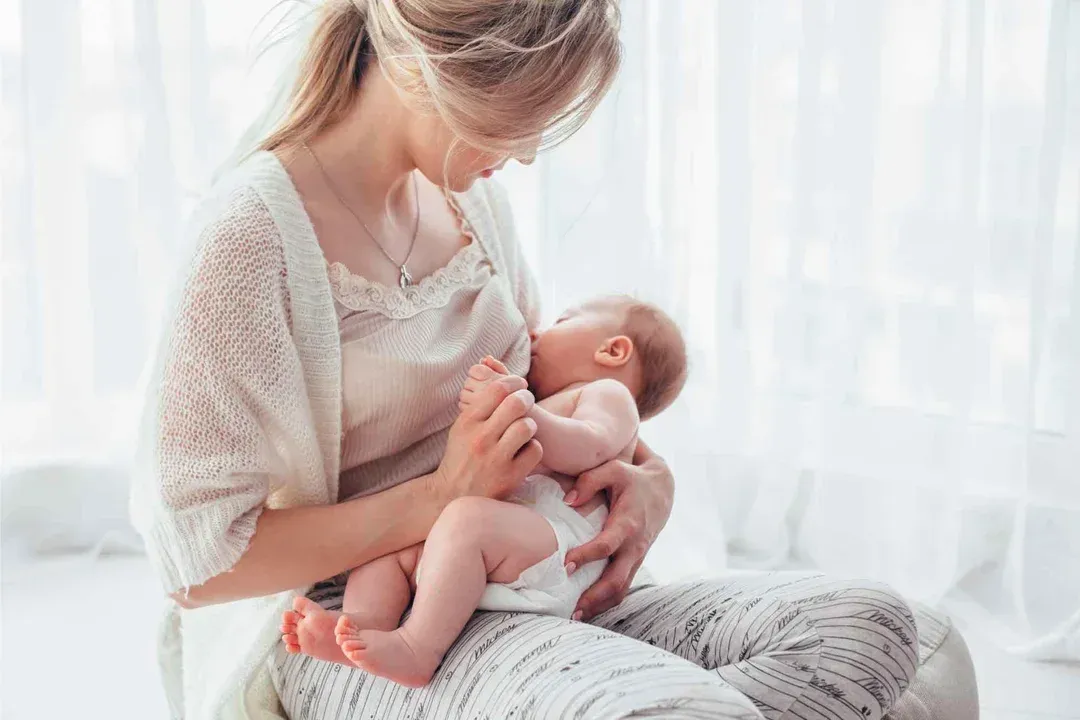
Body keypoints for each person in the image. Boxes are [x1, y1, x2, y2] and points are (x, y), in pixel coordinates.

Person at [130, 1, 979, 719]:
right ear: (439, 70)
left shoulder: (472, 204)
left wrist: (649, 479)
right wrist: (440, 500)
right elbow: (198, 566)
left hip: (532, 573)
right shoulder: (252, 240)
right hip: (365, 620)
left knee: (876, 626)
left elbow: (553, 396)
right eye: (523, 115)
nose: (530, 152)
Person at [280, 296, 687, 687]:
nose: (534, 334)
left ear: (613, 350)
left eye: (562, 320)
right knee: (390, 549)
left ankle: (416, 648)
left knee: (466, 521)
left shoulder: (609, 397)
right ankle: (363, 623)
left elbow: (589, 446)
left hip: (562, 548)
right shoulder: (557, 399)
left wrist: (523, 411)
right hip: (507, 546)